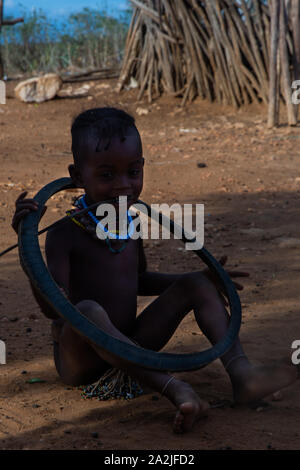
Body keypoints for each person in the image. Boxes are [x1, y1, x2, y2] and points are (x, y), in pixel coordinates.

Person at [12, 107, 298, 434]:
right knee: (87, 310)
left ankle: (243, 375)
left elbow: (140, 281)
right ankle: (174, 387)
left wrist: (200, 280)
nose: (124, 186)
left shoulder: (130, 225)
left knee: (195, 283)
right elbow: (54, 308)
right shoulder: (65, 233)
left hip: (133, 343)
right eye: (107, 175)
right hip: (83, 359)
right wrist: (27, 247)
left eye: (133, 172)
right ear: (77, 177)